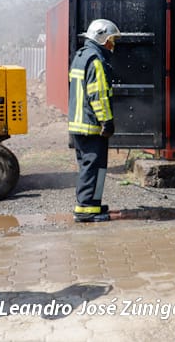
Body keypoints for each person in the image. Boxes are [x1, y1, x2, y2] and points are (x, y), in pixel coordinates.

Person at [68, 18, 120, 222]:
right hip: (91, 125)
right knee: (92, 168)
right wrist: (107, 121)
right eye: (111, 40)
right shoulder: (96, 61)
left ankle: (92, 203)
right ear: (102, 39)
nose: (112, 45)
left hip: (78, 124)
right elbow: (98, 96)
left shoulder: (80, 56)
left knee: (91, 168)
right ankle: (86, 210)